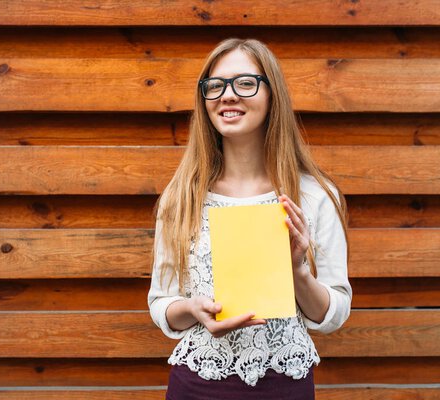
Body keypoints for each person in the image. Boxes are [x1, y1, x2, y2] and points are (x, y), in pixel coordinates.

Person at [147, 38, 352, 400]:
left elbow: (333, 314)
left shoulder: (316, 196)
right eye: (215, 86)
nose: (227, 95)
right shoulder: (181, 197)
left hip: (285, 385)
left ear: (272, 95)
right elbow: (162, 303)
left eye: (245, 82)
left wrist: (298, 270)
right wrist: (193, 309)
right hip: (197, 385)